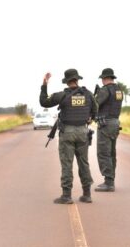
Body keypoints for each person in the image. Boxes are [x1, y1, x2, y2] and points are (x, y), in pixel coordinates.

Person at [40, 69, 97, 204]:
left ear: (66, 82)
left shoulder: (62, 95)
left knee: (67, 163)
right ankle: (87, 194)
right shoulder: (88, 94)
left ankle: (66, 195)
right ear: (77, 80)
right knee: (84, 163)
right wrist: (90, 119)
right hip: (83, 132)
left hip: (67, 133)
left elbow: (44, 102)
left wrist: (44, 84)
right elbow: (95, 109)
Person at [94, 68, 123, 192]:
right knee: (111, 152)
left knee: (103, 152)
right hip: (115, 122)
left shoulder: (105, 90)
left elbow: (95, 104)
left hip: (105, 123)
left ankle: (109, 182)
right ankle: (111, 179)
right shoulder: (119, 90)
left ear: (104, 78)